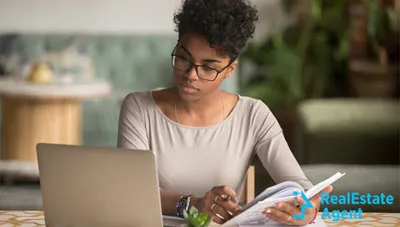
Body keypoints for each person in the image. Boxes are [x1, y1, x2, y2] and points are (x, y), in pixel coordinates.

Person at [117, 0, 332, 225]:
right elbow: (130, 190)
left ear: (230, 70)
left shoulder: (253, 115)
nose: (191, 74)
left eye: (208, 67)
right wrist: (191, 205)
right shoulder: (139, 108)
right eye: (183, 58)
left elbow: (298, 185)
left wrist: (308, 207)